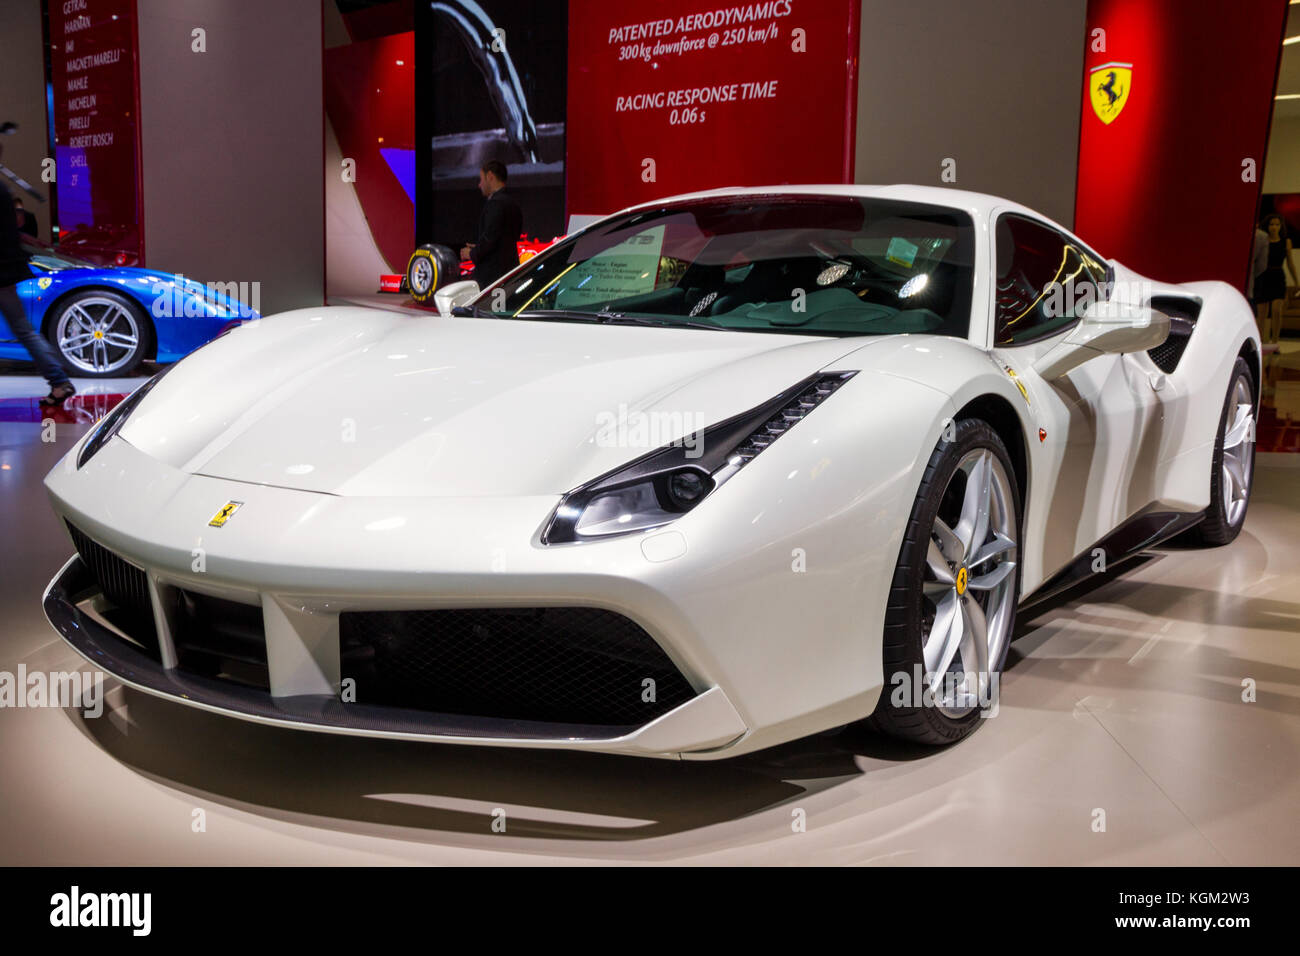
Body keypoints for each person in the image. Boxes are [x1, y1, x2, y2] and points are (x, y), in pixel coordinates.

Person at [0, 178, 75, 405]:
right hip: (7, 271)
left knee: (23, 329)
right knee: (24, 329)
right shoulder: (4, 191)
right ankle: (59, 381)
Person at [460, 159, 522, 287]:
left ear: (490, 177)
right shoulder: (513, 203)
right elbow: (507, 238)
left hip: (492, 277)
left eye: (481, 179)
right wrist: (478, 246)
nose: (479, 184)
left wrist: (471, 253)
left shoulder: (496, 204)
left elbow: (490, 239)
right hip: (510, 271)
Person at [1255, 214, 1297, 350]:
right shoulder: (1263, 240)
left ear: (1281, 226)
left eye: (1277, 224)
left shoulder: (1286, 241)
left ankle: (1275, 341)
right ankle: (1260, 341)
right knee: (1262, 312)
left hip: (1278, 275)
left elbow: (1290, 262)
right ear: (1267, 226)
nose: (1274, 227)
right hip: (1264, 276)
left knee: (1277, 310)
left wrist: (1296, 281)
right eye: (1271, 224)